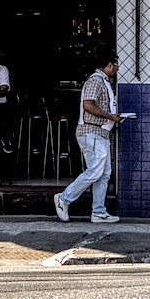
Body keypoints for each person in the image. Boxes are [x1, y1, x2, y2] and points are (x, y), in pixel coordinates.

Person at [54, 53, 125, 223]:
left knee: (104, 173)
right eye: (115, 65)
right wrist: (109, 116)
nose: (116, 69)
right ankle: (64, 198)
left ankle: (99, 212)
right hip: (92, 132)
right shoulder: (96, 81)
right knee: (95, 171)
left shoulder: (103, 81)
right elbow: (88, 104)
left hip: (100, 133)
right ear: (108, 64)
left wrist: (111, 117)